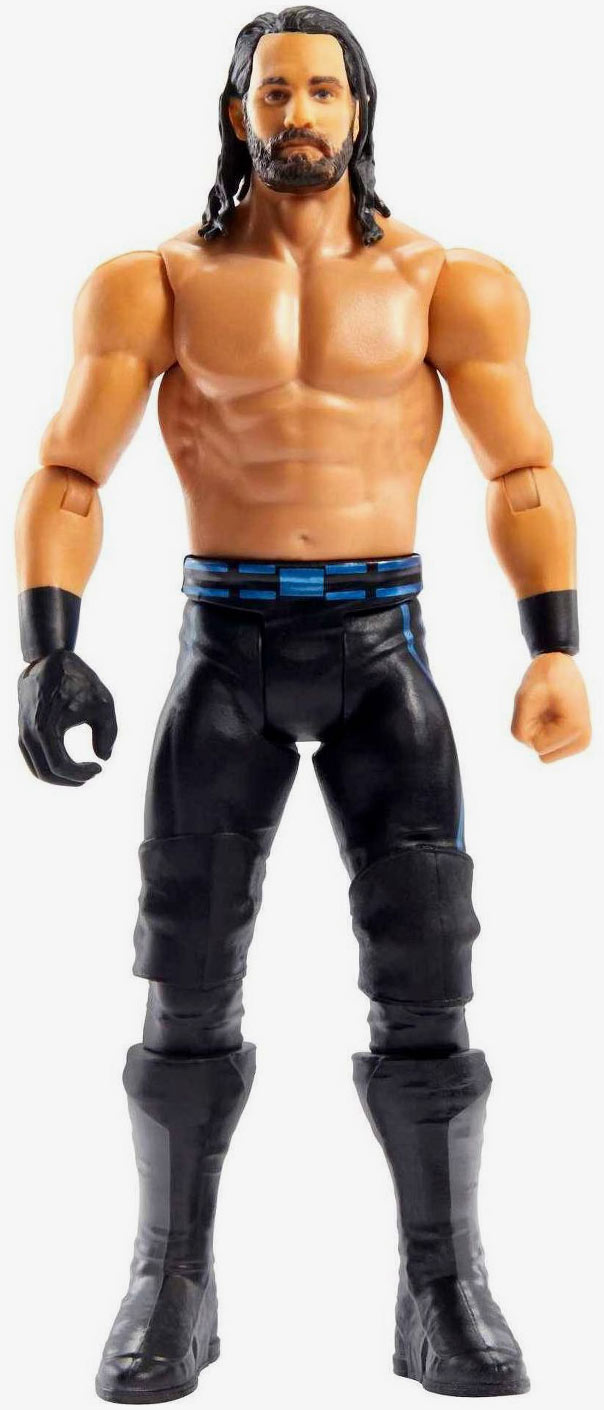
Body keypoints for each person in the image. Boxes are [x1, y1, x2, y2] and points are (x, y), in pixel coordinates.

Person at [15, 7, 590, 1402]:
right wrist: (46, 646)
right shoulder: (152, 284)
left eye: (324, 90)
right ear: (239, 112)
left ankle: (444, 1285)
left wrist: (555, 647)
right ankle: (170, 1277)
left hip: (385, 641)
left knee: (429, 968)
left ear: (360, 108)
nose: (301, 114)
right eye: (276, 92)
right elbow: (71, 473)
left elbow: (520, 470)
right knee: (185, 971)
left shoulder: (450, 284)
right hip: (223, 644)